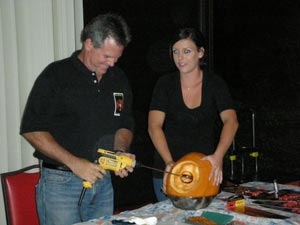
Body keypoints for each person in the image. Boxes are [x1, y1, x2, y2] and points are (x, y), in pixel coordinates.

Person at [20, 13, 135, 225]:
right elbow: (32, 129)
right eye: (106, 57)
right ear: (89, 43)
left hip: (103, 180)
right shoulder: (56, 75)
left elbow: (124, 123)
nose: (112, 64)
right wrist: (75, 164)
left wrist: (120, 151)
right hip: (61, 184)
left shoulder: (118, 78)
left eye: (117, 58)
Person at [148, 28, 239, 201]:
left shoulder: (215, 84)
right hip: (169, 171)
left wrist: (218, 156)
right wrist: (169, 163)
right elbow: (154, 126)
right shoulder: (165, 84)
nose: (180, 57)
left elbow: (231, 121)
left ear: (200, 53)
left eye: (186, 51)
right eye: (176, 51)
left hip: (205, 171)